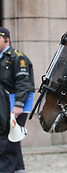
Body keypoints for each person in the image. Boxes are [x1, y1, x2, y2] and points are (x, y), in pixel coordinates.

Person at [0, 26, 34, 173]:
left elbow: (23, 82)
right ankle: (19, 168)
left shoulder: (17, 57)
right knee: (11, 138)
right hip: (3, 104)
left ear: (6, 39)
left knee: (8, 139)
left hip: (15, 105)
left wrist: (19, 105)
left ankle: (6, 169)